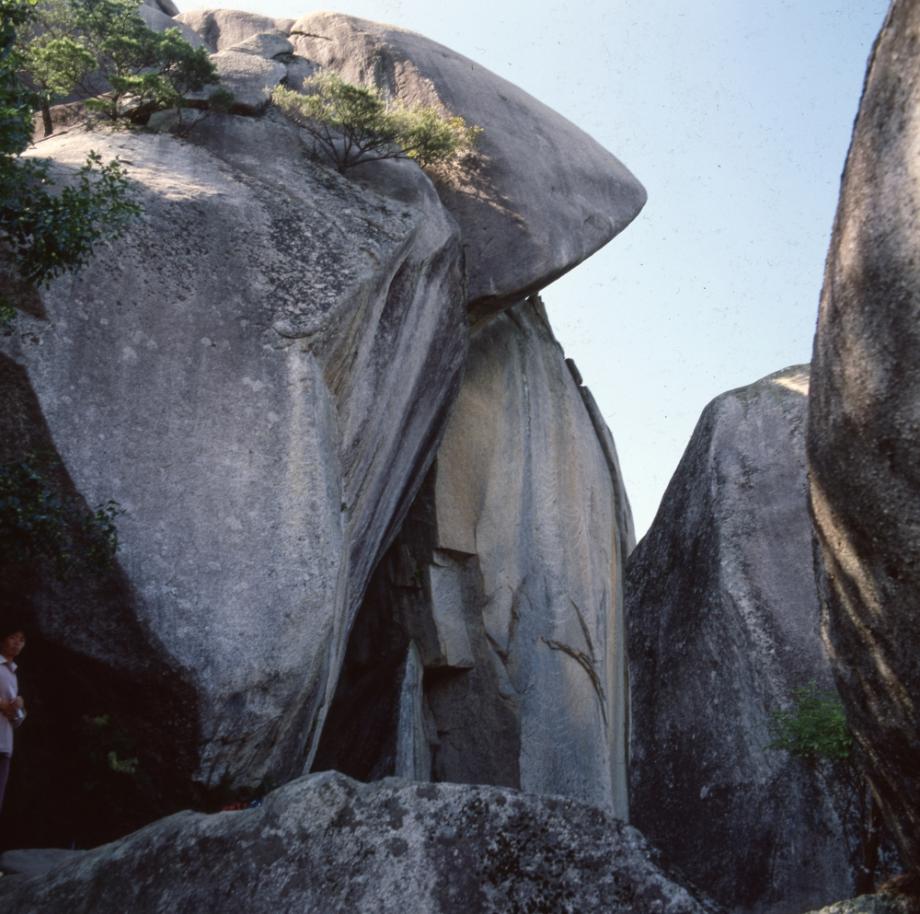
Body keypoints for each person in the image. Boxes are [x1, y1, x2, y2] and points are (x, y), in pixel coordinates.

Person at [0, 623, 26, 814]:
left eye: (22, 640)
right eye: (13, 637)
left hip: (5, 744)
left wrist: (19, 708)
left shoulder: (13, 673)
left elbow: (17, 721)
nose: (17, 643)